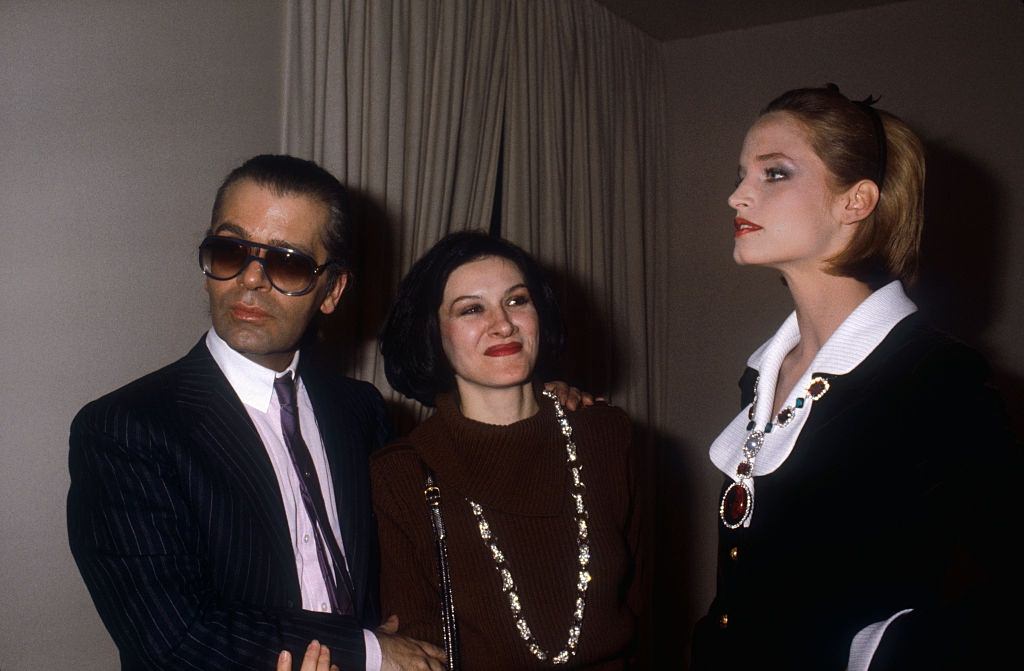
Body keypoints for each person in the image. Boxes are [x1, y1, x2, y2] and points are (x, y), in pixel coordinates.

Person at [68, 154, 446, 670]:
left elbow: (428, 540)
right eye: (229, 251)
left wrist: (542, 407)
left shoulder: (360, 410)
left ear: (332, 290)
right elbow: (172, 637)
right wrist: (371, 653)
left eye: (287, 262)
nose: (250, 279)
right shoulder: (125, 429)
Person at [691, 85, 1018, 669]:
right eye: (743, 174)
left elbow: (993, 599)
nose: (737, 195)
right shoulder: (764, 376)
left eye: (774, 174)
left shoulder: (935, 379)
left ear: (856, 202)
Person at [372, 231, 644, 669]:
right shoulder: (401, 474)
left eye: (517, 300)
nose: (503, 324)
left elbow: (647, 614)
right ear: (433, 333)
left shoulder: (609, 437)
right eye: (471, 309)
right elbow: (418, 649)